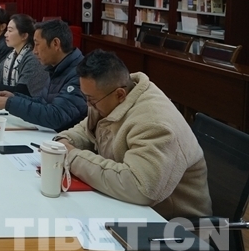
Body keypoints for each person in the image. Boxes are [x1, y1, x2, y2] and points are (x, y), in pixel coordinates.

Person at [55, 49, 211, 219]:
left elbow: (139, 187)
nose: (88, 105)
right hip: (129, 208)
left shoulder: (155, 123)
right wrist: (64, 141)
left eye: (91, 100)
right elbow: (86, 129)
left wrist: (72, 156)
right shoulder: (110, 96)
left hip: (172, 223)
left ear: (120, 94)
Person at [0, 19, 86, 132]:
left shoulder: (80, 74)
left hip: (64, 138)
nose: (34, 51)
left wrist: (9, 103)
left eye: (37, 44)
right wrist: (14, 97)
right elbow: (44, 102)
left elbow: (57, 116)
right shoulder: (57, 67)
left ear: (55, 43)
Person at [0, 14, 48, 101]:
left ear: (24, 36)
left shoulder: (32, 57)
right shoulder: (12, 54)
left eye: (10, 30)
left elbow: (22, 91)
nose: (5, 34)